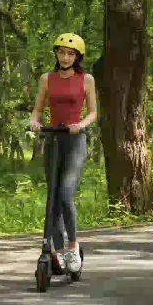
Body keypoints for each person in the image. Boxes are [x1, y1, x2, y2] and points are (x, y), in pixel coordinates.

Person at [29, 33, 97, 273]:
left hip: (75, 141)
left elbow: (93, 113)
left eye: (70, 54)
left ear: (77, 57)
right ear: (56, 54)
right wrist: (35, 122)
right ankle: (56, 251)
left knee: (66, 193)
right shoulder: (46, 79)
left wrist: (81, 125)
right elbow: (37, 110)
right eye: (61, 52)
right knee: (53, 197)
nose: (65, 57)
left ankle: (72, 246)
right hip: (53, 140)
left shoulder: (86, 80)